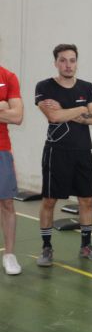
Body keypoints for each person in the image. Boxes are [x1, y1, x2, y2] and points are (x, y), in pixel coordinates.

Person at [35, 44, 92, 266]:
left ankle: (86, 245)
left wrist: (64, 110)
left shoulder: (87, 87)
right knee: (49, 200)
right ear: (55, 62)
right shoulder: (45, 87)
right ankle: (46, 248)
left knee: (87, 200)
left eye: (72, 60)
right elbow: (53, 117)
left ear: (76, 63)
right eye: (63, 60)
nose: (68, 65)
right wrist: (81, 109)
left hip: (83, 152)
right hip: (56, 152)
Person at [0, 63, 24, 275]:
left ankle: (9, 255)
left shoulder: (8, 77)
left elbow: (17, 116)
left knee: (7, 203)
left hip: (1, 149)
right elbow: (9, 112)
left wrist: (8, 108)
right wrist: (1, 106)